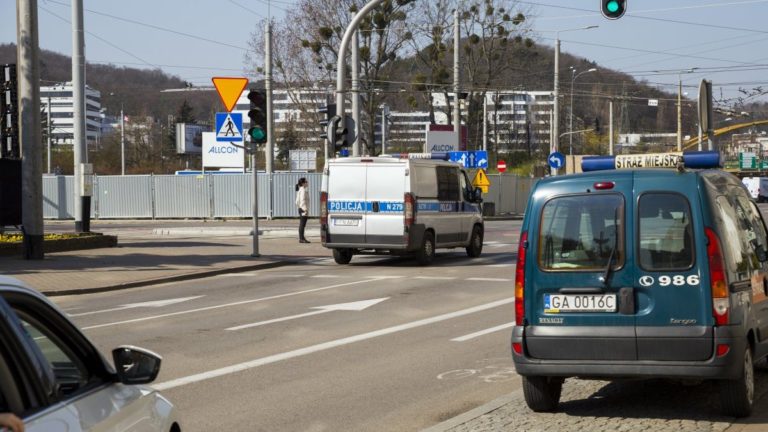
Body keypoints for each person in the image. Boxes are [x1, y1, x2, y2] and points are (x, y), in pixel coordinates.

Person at [295, 177, 310, 243]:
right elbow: (302, 200)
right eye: (306, 181)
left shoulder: (301, 189)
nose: (307, 182)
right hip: (303, 209)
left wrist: (299, 207)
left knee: (302, 224)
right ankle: (301, 239)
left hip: (301, 208)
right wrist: (304, 209)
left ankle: (302, 238)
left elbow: (297, 201)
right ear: (303, 183)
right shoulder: (303, 190)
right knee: (302, 224)